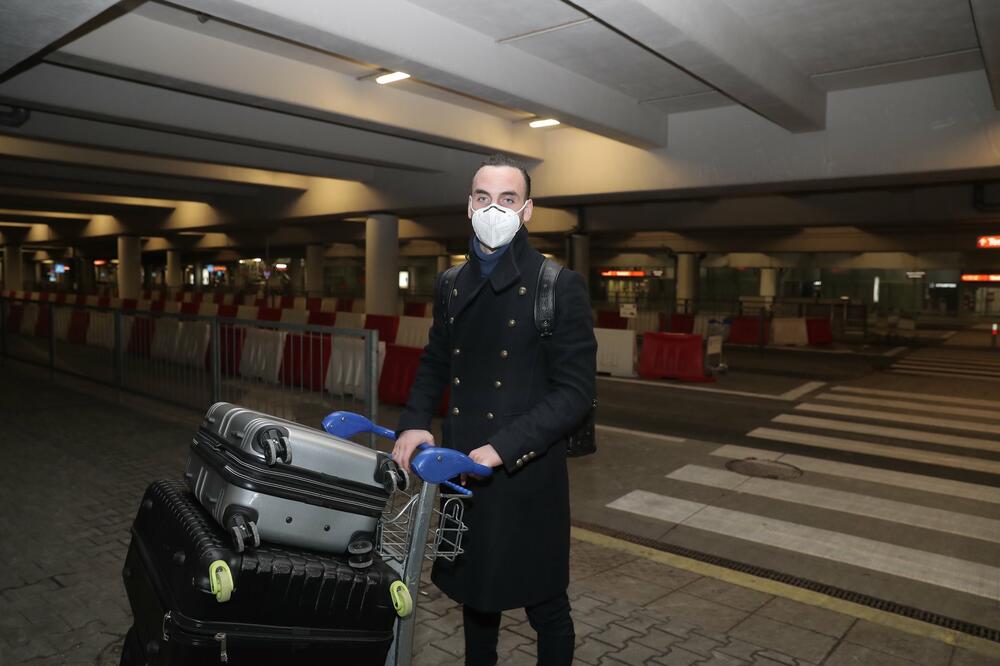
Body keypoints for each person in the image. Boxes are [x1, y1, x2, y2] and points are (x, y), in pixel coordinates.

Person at [393, 154, 597, 666]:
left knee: (545, 603)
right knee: (476, 596)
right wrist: (414, 422)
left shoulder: (557, 285)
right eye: (483, 198)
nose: (494, 209)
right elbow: (436, 361)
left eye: (508, 199)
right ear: (469, 206)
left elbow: (575, 393)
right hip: (463, 467)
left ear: (527, 211)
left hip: (525, 468)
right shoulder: (451, 283)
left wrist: (503, 448)